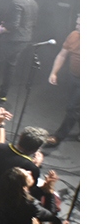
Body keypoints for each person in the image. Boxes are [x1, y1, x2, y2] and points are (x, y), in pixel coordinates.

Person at [44, 15, 80, 147]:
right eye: (77, 23)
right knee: (76, 107)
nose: (77, 27)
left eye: (80, 25)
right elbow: (62, 54)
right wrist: (54, 72)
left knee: (72, 108)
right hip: (74, 76)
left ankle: (59, 137)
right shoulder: (74, 35)